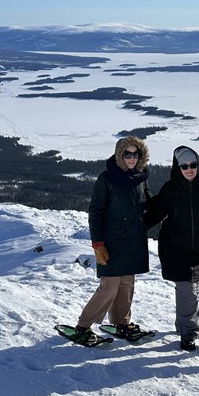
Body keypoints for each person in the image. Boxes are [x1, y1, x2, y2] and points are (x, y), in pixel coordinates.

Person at [69, 136, 152, 344]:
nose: (131, 158)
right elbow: (95, 212)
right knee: (109, 287)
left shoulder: (140, 178)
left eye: (135, 154)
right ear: (119, 155)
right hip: (112, 242)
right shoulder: (106, 179)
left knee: (127, 285)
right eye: (127, 154)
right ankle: (83, 326)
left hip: (133, 240)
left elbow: (149, 204)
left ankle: (121, 322)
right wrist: (97, 243)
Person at [145, 145, 199, 351]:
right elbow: (152, 214)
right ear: (177, 168)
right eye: (184, 166)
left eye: (193, 165)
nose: (189, 169)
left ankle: (181, 324)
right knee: (186, 289)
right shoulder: (170, 189)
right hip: (175, 250)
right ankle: (189, 333)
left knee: (189, 290)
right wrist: (127, 231)